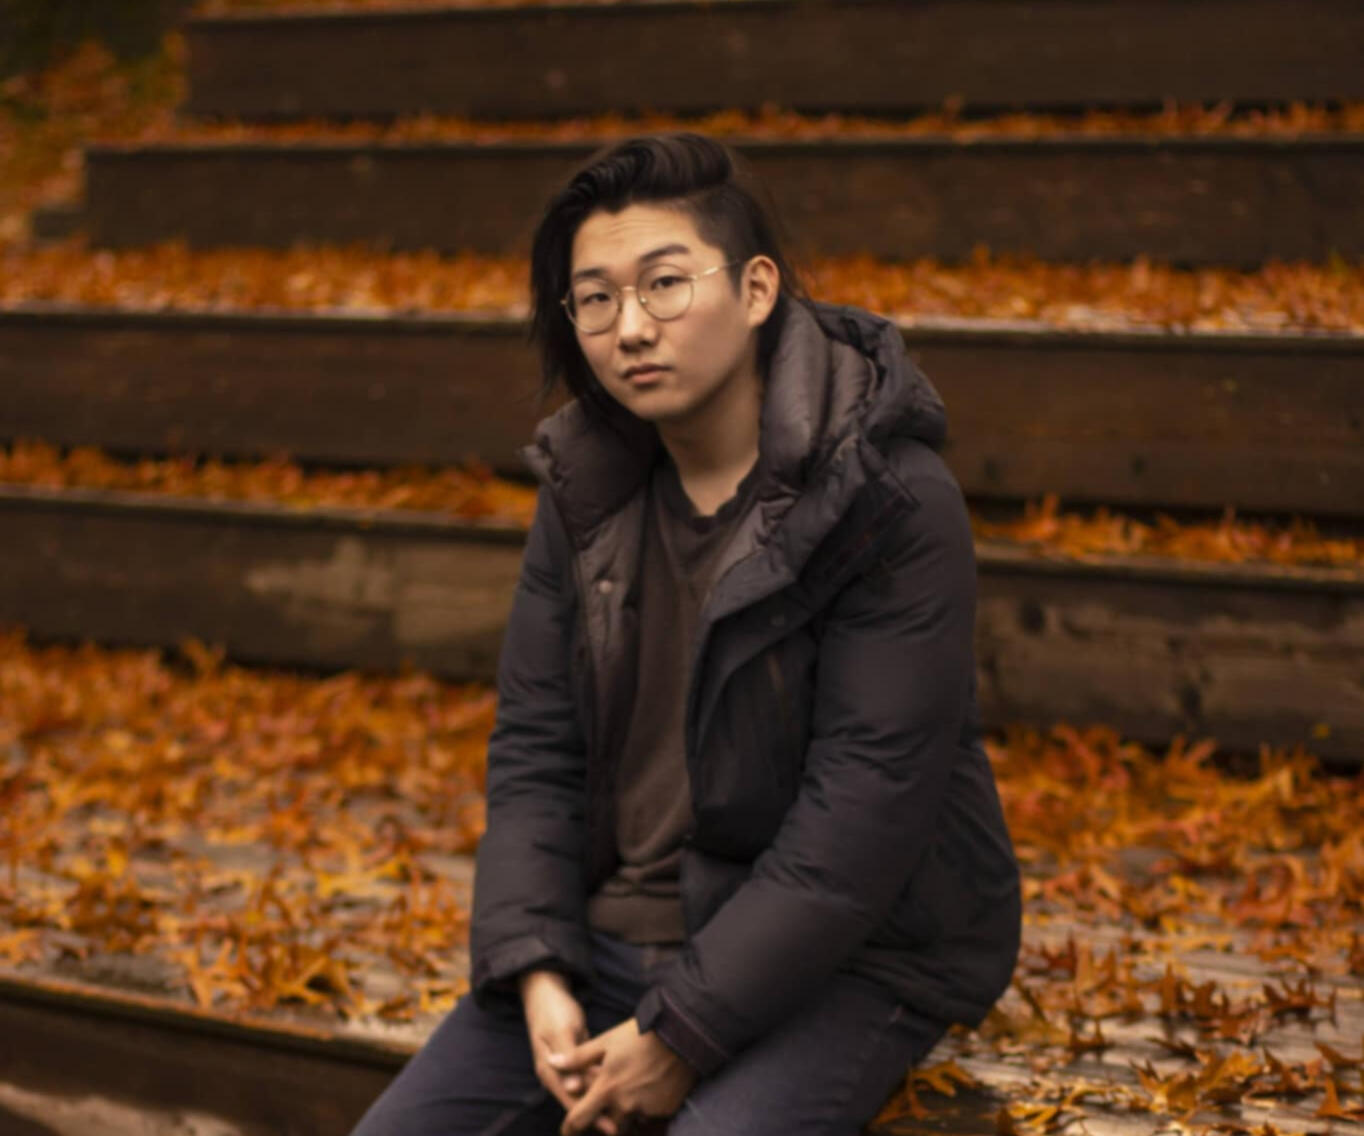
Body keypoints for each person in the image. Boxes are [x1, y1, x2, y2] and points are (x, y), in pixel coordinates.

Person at [350, 131, 1021, 1136]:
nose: (629, 327)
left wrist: (679, 1030)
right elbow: (536, 751)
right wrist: (533, 965)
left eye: (663, 284)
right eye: (594, 298)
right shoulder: (586, 491)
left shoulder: (885, 499)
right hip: (612, 937)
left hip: (856, 953)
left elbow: (861, 815)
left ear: (755, 289)